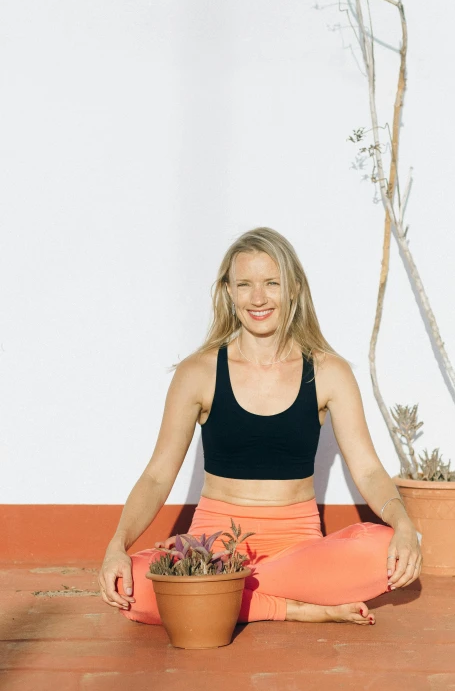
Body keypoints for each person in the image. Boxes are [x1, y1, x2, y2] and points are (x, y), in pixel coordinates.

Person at [98, 227, 422, 626]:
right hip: (214, 546)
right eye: (245, 284)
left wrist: (404, 524)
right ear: (228, 292)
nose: (258, 298)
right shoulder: (197, 373)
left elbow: (369, 470)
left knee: (383, 549)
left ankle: (210, 589)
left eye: (271, 283)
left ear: (293, 290)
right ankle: (293, 607)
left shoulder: (328, 371)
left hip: (298, 552)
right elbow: (156, 475)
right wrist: (117, 545)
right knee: (136, 592)